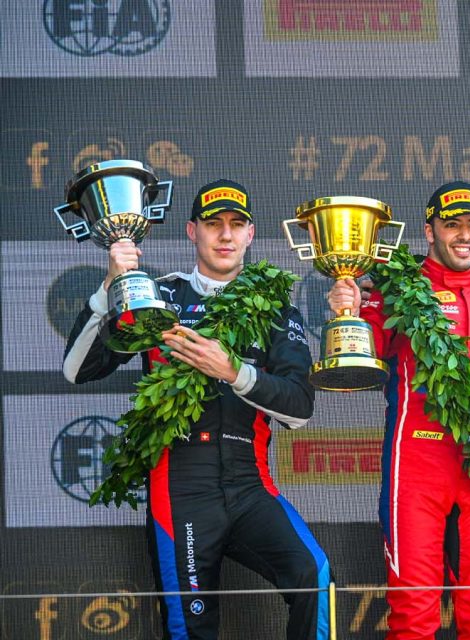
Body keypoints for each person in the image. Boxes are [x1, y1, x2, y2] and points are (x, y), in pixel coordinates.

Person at [63, 179, 331, 640]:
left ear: (250, 235)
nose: (225, 235)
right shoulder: (160, 297)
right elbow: (76, 370)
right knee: (191, 628)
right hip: (181, 490)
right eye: (213, 224)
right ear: (192, 231)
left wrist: (233, 371)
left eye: (236, 224)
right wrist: (109, 287)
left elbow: (299, 408)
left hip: (250, 484)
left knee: (314, 575)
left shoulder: (276, 310)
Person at [329, 181, 470, 639]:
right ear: (430, 231)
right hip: (416, 468)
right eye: (452, 225)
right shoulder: (397, 293)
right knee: (413, 615)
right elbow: (359, 361)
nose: (464, 236)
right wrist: (348, 312)